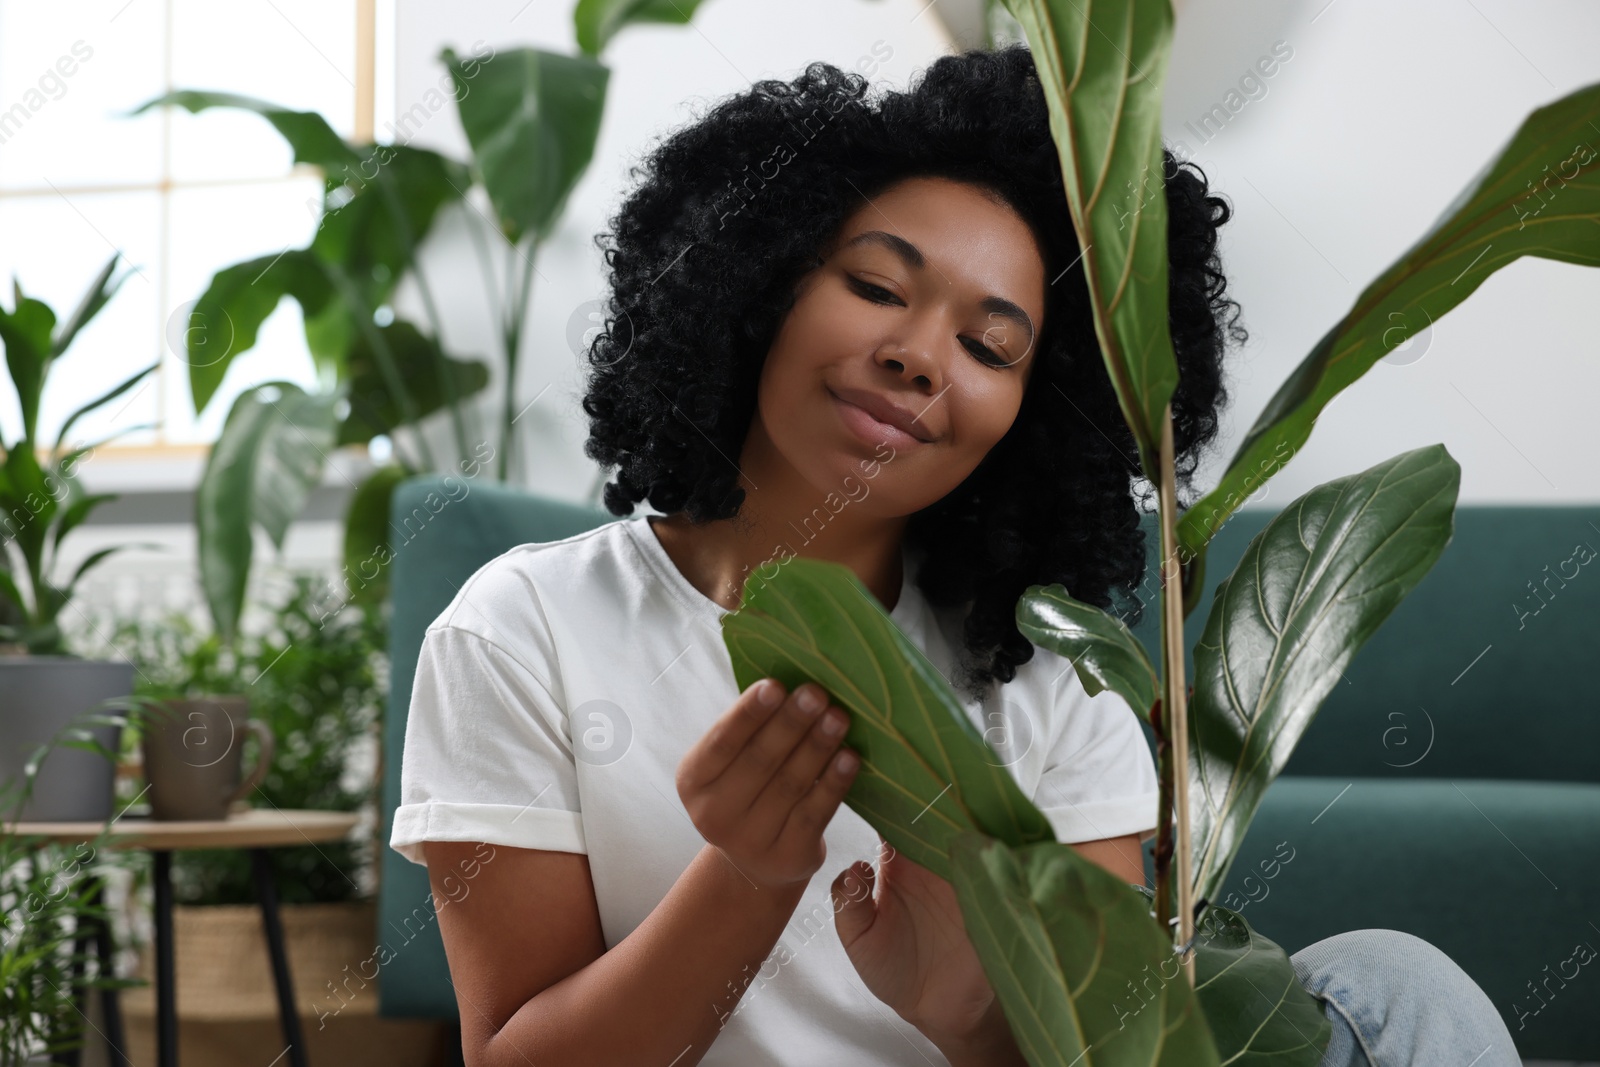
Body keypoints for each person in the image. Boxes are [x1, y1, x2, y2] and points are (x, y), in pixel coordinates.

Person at [389, 43, 1520, 1067]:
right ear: (755, 286)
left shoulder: (1049, 670)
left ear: (1036, 413)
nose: (921, 356)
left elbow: (1108, 1046)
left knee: (1393, 983)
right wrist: (745, 876)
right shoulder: (519, 629)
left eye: (989, 345)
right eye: (876, 286)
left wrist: (970, 1019)